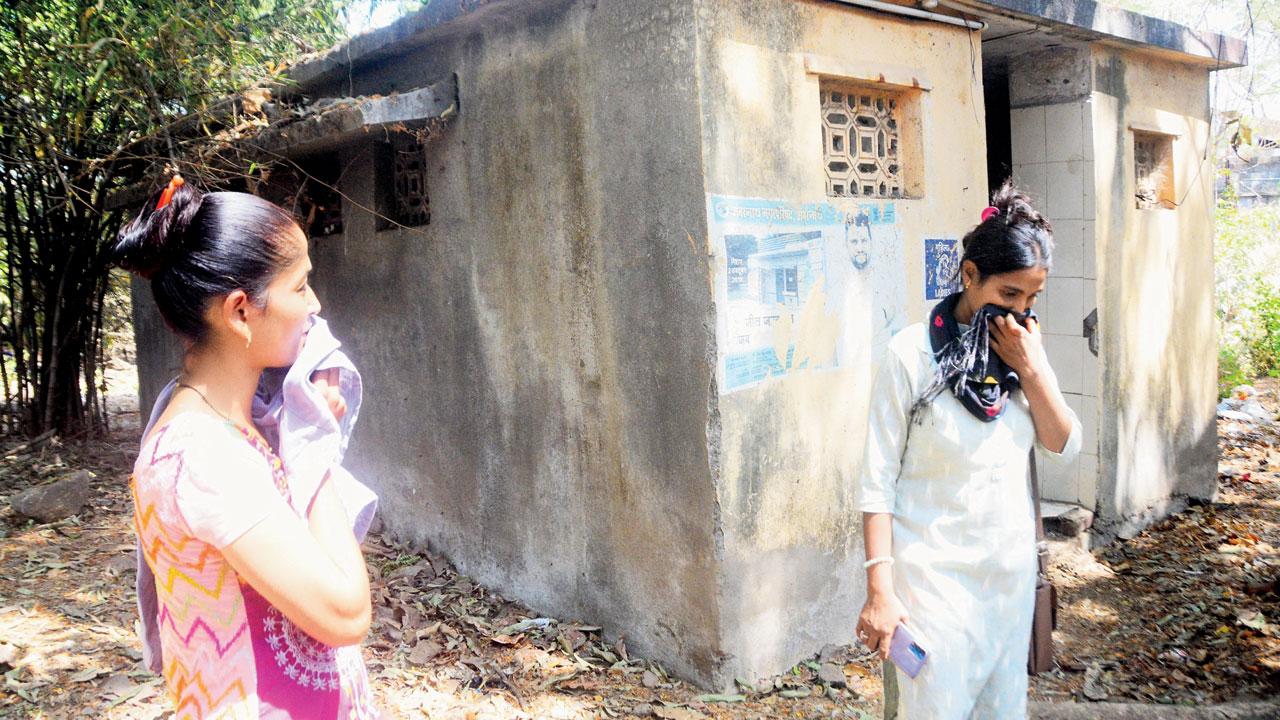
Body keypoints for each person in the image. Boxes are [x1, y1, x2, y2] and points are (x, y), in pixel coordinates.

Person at [114, 176, 378, 718]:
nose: (315, 305)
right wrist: (313, 439)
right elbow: (346, 613)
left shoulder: (235, 422)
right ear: (239, 312)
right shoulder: (205, 457)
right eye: (300, 287)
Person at [855, 182, 1081, 719]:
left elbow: (1062, 445)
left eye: (1031, 299)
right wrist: (880, 591)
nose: (1019, 313)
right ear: (970, 275)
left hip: (1007, 583)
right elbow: (876, 481)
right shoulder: (911, 355)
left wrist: (1031, 370)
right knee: (934, 707)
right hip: (931, 586)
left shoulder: (1023, 353)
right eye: (1008, 295)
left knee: (1000, 711)